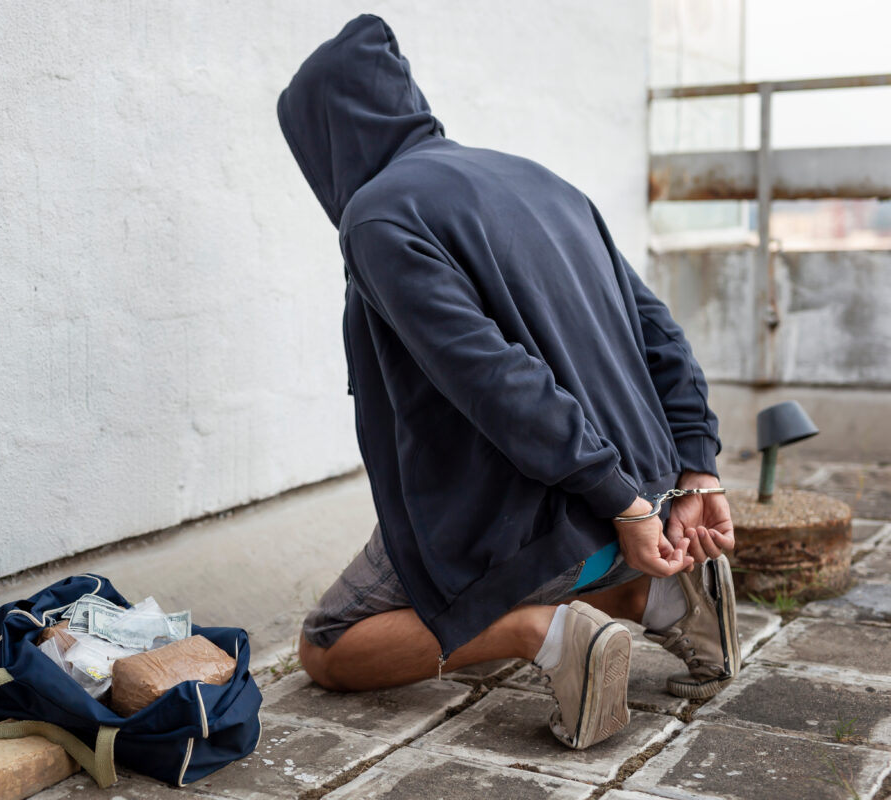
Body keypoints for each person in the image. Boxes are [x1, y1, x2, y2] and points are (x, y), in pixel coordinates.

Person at [276, 14, 739, 750]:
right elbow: (662, 337)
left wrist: (617, 503)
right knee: (526, 538)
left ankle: (548, 633)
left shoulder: (377, 215)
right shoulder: (539, 179)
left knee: (331, 646)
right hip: (652, 517)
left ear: (323, 140)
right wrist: (695, 473)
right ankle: (655, 598)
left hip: (558, 525)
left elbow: (496, 381)